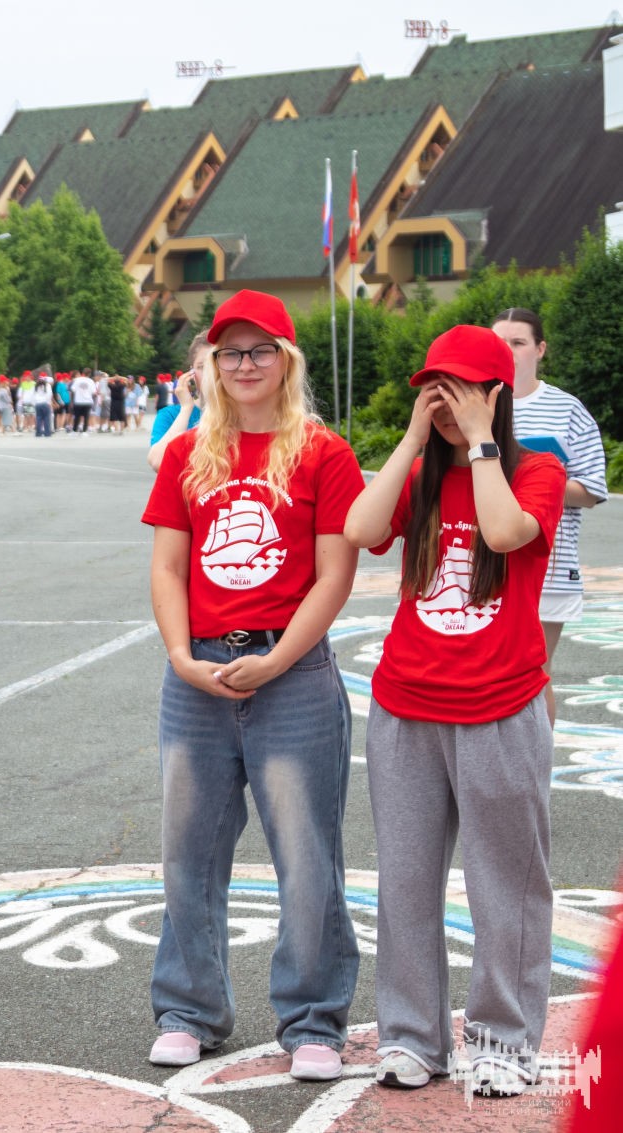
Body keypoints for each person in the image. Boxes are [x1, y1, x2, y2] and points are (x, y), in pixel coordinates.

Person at [142, 289, 362, 1082]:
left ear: (286, 359)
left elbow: (335, 575)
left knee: (306, 854)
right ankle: (189, 1009)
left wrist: (276, 660)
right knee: (188, 850)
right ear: (211, 363)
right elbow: (168, 566)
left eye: (260, 350)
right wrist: (178, 654)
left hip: (291, 672)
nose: (244, 364)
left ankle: (312, 1019)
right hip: (199, 671)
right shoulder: (188, 452)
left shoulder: (323, 453)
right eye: (229, 352)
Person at [343, 325, 566, 1096]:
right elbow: (359, 529)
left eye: (463, 388)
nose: (445, 403)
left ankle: (505, 1039)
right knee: (404, 881)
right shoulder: (419, 474)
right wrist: (413, 439)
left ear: (496, 394)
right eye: (435, 388)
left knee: (505, 884)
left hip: (501, 707)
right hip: (406, 706)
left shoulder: (536, 470)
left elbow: (504, 531)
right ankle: (412, 1036)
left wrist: (481, 442)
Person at [493, 307, 607, 726]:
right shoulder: (476, 402)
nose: (508, 351)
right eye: (499, 342)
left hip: (549, 564)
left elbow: (592, 490)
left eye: (518, 342)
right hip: (481, 558)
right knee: (486, 674)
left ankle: (537, 760)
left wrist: (532, 478)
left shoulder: (567, 409)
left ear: (540, 349)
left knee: (534, 674)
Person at [149, 335, 212, 472]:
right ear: (191, 373)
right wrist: (186, 408)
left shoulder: (244, 412)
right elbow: (158, 462)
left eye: (217, 364)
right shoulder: (171, 415)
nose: (210, 373)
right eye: (202, 367)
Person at [69, 368, 96, 432]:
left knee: (77, 416)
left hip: (78, 400)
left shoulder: (77, 380)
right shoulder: (91, 381)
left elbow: (72, 390)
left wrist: (72, 401)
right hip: (88, 401)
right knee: (86, 417)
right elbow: (94, 393)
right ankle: (84, 431)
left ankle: (75, 430)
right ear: (89, 374)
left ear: (83, 373)